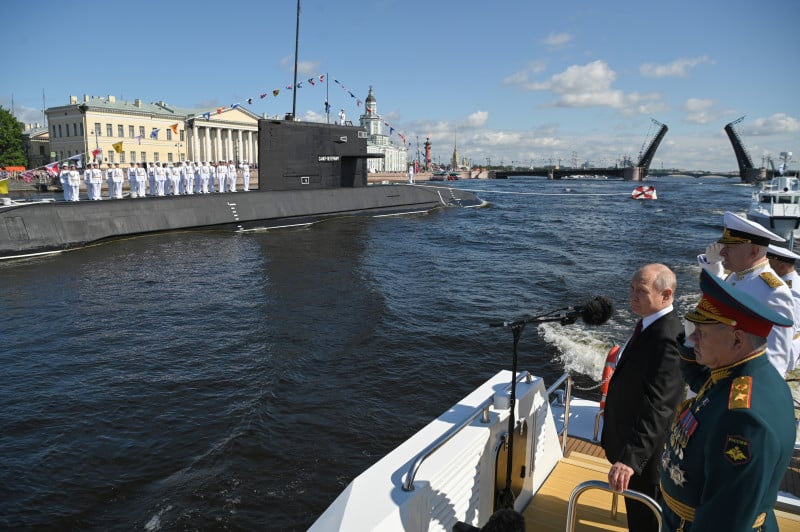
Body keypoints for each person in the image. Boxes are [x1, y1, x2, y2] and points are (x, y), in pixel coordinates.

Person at [660, 268, 795, 531]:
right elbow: (709, 393)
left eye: (702, 332)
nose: (692, 338)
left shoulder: (744, 418)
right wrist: (691, 346)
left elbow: (724, 521)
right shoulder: (742, 376)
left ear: (737, 339)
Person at [601, 263, 683, 532]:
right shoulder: (651, 327)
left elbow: (660, 406)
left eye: (642, 291)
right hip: (632, 446)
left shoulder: (667, 338)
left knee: (645, 522)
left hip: (646, 461)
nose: (633, 295)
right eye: (632, 288)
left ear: (666, 295)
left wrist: (630, 459)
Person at [698, 211, 795, 377]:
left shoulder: (774, 291)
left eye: (730, 247)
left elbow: (776, 359)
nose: (722, 253)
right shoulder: (735, 276)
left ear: (754, 251)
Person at [767, 243, 800, 370]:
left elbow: (791, 329)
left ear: (781, 267)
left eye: (768, 264)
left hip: (783, 355)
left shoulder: (792, 291)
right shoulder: (790, 284)